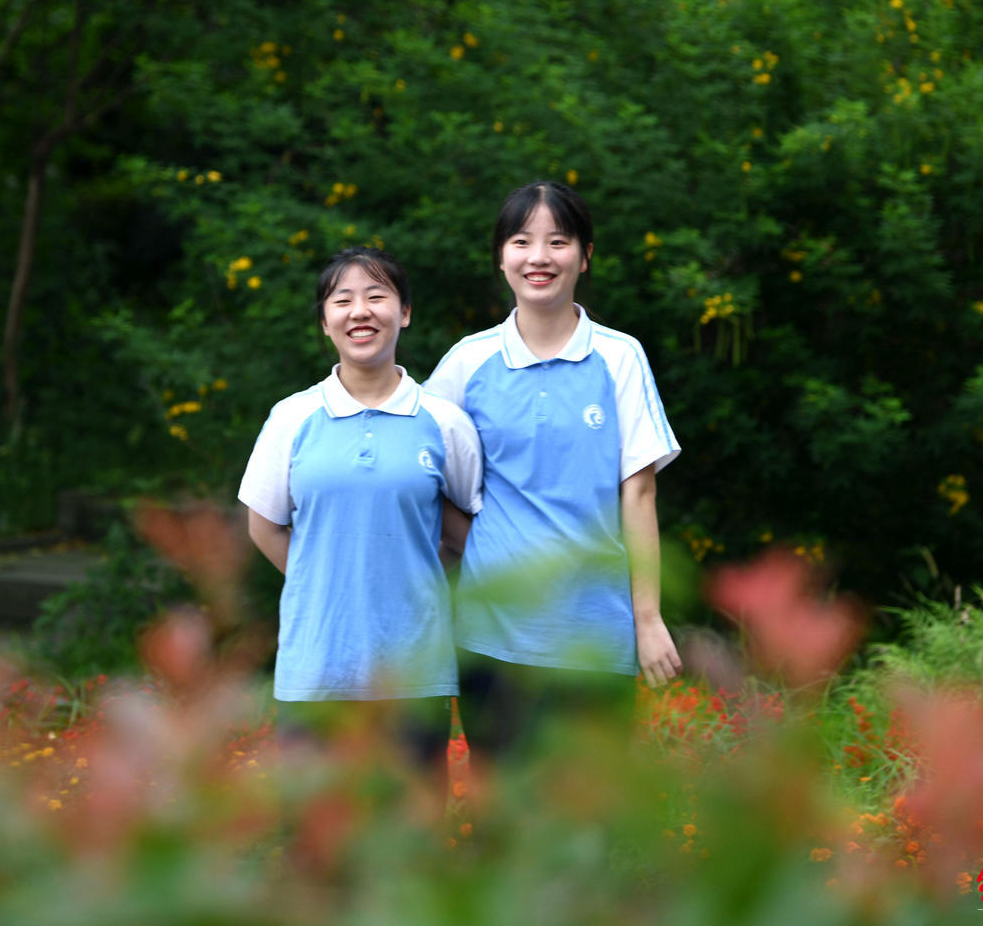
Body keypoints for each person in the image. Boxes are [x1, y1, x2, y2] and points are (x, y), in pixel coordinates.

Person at [424, 180, 682, 759]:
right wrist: (477, 541)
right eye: (522, 241)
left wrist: (648, 620)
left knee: (586, 816)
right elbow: (417, 472)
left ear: (585, 256)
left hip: (596, 630)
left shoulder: (619, 356)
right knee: (502, 811)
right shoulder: (468, 362)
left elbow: (638, 495)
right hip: (492, 633)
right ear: (500, 256)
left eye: (558, 241)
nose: (539, 257)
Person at [239, 246, 483, 768]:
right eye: (342, 300)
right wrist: (321, 576)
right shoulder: (292, 418)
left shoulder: (443, 422)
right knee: (315, 840)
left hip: (414, 670)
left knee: (411, 833)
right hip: (316, 668)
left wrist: (410, 578)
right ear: (325, 322)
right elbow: (263, 527)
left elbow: (468, 534)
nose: (360, 311)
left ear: (406, 312)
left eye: (377, 296)